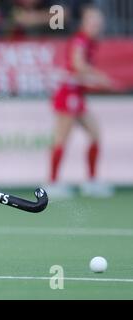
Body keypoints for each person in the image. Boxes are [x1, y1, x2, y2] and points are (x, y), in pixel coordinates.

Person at [48, 5, 120, 198]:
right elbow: (78, 65)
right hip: (67, 94)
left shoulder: (88, 41)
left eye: (99, 22)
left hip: (76, 94)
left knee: (95, 134)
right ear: (84, 23)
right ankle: (52, 183)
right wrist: (100, 77)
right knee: (62, 138)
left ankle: (91, 180)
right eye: (93, 21)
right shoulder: (80, 40)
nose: (97, 25)